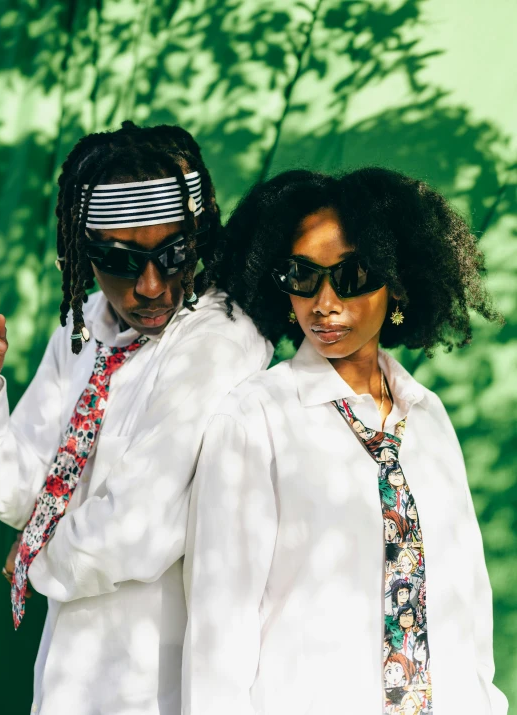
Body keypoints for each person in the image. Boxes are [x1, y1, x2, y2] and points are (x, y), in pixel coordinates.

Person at [0, 121, 271, 715]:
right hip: (70, 677)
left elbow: (135, 531)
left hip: (159, 686)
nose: (150, 286)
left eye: (173, 254)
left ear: (200, 238)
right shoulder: (84, 329)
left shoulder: (219, 340)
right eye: (119, 260)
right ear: (81, 251)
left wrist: (33, 553)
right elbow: (26, 494)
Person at [182, 168, 508, 714]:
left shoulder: (428, 419)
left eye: (351, 275)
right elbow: (220, 629)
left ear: (397, 283)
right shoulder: (254, 420)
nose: (324, 302)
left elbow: (468, 599)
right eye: (302, 275)